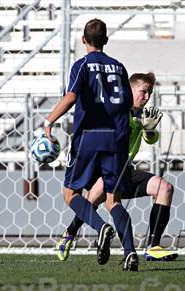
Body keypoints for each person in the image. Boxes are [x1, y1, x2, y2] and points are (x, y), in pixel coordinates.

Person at [45, 19, 138, 271]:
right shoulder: (119, 67)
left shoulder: (82, 65)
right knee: (113, 201)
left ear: (83, 40)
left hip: (89, 137)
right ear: (106, 40)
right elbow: (129, 104)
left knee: (70, 194)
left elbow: (72, 96)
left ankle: (100, 227)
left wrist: (49, 121)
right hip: (117, 139)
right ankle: (130, 252)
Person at [57, 72, 178, 263]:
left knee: (165, 188)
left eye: (149, 93)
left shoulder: (142, 115)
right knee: (95, 198)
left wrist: (149, 128)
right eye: (143, 92)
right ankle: (71, 233)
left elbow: (151, 138)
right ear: (129, 90)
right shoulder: (117, 111)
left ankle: (153, 246)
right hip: (105, 167)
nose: (146, 97)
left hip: (125, 169)